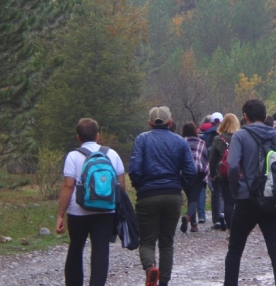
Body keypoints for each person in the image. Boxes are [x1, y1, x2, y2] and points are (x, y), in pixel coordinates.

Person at [224, 99, 276, 285]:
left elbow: (231, 166)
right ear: (264, 116)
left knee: (235, 249)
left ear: (245, 116)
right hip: (270, 197)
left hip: (246, 198)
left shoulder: (240, 136)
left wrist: (235, 190)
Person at [129, 106, 196, 286]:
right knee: (167, 242)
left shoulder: (142, 140)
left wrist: (140, 186)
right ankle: (164, 282)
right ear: (170, 122)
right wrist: (178, 185)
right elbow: (191, 171)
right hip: (173, 195)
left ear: (150, 123)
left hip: (147, 195)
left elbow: (134, 170)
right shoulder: (181, 142)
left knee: (147, 241)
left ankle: (151, 268)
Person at [56, 118, 126, 286]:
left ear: (79, 138)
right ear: (97, 135)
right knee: (101, 251)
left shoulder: (73, 156)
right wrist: (119, 212)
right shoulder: (112, 154)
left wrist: (60, 214)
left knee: (76, 249)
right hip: (105, 211)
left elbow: (68, 186)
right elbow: (121, 187)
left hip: (77, 211)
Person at [208, 113, 240, 232]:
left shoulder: (218, 139)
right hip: (239, 173)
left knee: (228, 201)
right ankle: (238, 225)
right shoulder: (240, 137)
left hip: (224, 173)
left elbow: (212, 159)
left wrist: (212, 174)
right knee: (239, 201)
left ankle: (230, 227)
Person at [180, 122, 209, 233]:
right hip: (197, 172)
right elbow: (204, 158)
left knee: (190, 197)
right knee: (194, 198)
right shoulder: (201, 142)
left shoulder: (181, 142)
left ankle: (194, 225)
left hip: (184, 173)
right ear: (194, 131)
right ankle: (187, 217)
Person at [200, 112, 223, 224]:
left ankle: (216, 219)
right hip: (225, 167)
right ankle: (224, 215)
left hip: (211, 166)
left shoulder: (206, 135)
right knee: (225, 193)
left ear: (212, 122)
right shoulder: (227, 135)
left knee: (215, 193)